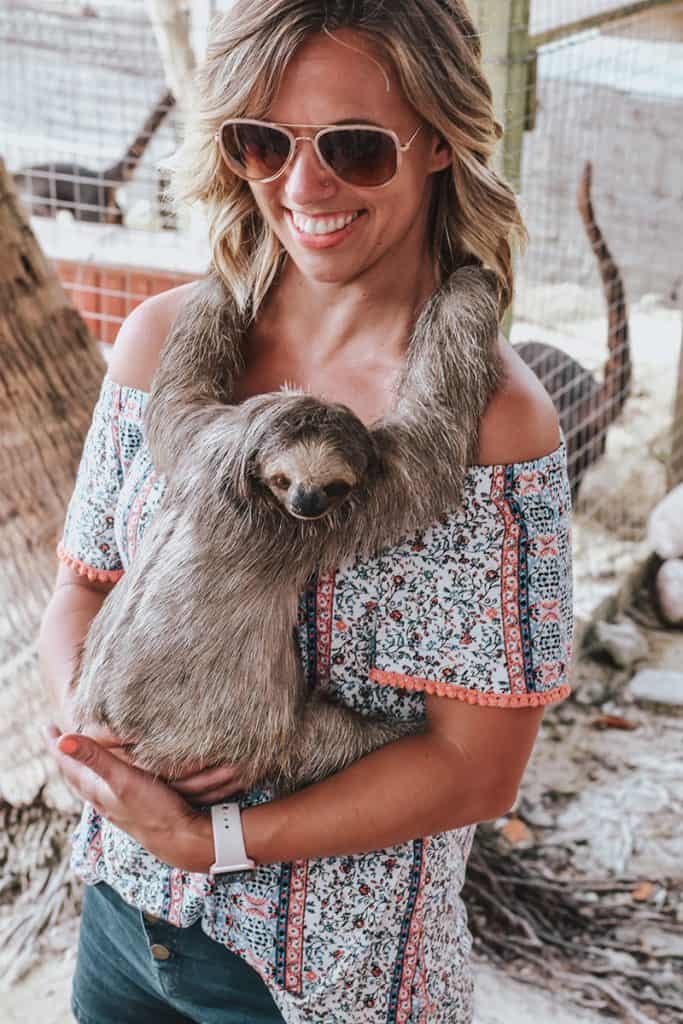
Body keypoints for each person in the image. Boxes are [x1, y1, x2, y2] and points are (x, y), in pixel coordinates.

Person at [40, 2, 573, 1022]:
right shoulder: (167, 344)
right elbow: (82, 587)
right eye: (261, 141)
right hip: (120, 912)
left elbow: (471, 772)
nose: (301, 185)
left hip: (328, 975)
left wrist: (215, 837)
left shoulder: (492, 428)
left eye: (355, 147)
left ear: (441, 142)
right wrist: (94, 744)